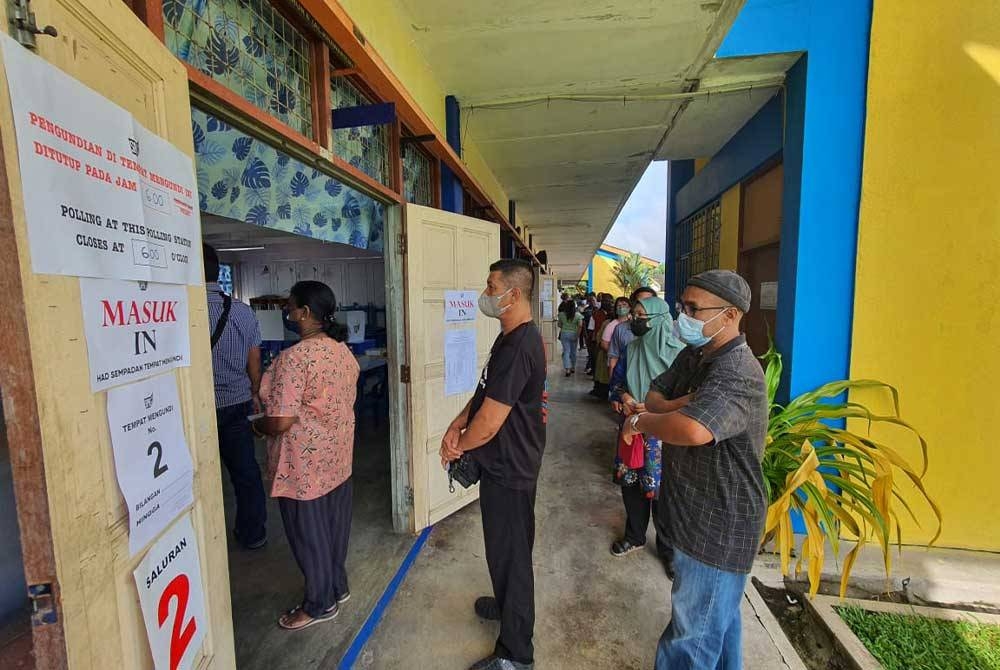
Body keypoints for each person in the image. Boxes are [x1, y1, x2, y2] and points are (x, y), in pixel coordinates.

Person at [621, 270, 767, 670]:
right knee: (717, 624)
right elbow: (655, 392)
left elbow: (692, 429)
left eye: (693, 308)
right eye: (681, 306)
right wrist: (678, 403)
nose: (682, 315)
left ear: (731, 314)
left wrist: (642, 421)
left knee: (690, 641)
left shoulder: (737, 370)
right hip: (693, 513)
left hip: (720, 523)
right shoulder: (695, 356)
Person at [440, 259, 546, 670]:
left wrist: (458, 448)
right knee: (502, 550)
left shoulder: (521, 344)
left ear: (513, 294)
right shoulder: (509, 338)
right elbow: (486, 394)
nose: (485, 294)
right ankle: (507, 606)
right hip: (505, 463)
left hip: (511, 467)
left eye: (490, 286)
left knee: (512, 556)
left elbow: (491, 422)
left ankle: (517, 654)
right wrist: (459, 420)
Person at [251, 281, 360, 631]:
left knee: (308, 534)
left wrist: (258, 428)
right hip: (338, 458)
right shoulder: (343, 352)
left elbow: (281, 420)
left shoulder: (294, 359)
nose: (288, 312)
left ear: (304, 313)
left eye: (291, 306)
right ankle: (336, 586)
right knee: (333, 529)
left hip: (304, 466)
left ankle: (320, 603)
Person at [608, 297, 684, 561]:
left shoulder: (680, 355)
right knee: (631, 485)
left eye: (641, 315)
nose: (633, 318)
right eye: (633, 313)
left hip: (665, 434)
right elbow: (615, 384)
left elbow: (688, 398)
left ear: (659, 319)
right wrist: (626, 398)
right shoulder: (632, 349)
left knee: (664, 495)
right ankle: (634, 536)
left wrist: (655, 408)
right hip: (632, 427)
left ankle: (668, 550)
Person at [204, 243, 267, 550]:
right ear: (219, 272)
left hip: (195, 410)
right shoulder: (241, 312)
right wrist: (256, 392)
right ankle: (253, 533)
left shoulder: (178, 309)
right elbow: (254, 359)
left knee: (197, 478)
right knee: (245, 472)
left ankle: (202, 544)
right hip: (236, 404)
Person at [608, 286, 657, 376]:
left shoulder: (662, 329)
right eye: (640, 302)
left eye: (649, 301)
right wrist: (613, 386)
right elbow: (613, 360)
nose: (644, 306)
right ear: (633, 305)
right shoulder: (620, 329)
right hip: (627, 385)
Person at [591, 295, 628, 398]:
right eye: (619, 305)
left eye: (624, 305)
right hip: (615, 359)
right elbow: (603, 343)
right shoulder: (611, 325)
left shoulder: (633, 324)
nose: (621, 307)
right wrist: (618, 355)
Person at [557, 298, 584, 376]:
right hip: (574, 334)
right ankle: (573, 368)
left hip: (564, 334)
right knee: (573, 352)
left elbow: (559, 324)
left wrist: (565, 325)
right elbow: (580, 325)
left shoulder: (561, 314)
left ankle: (567, 369)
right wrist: (577, 335)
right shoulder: (578, 315)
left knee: (566, 351)